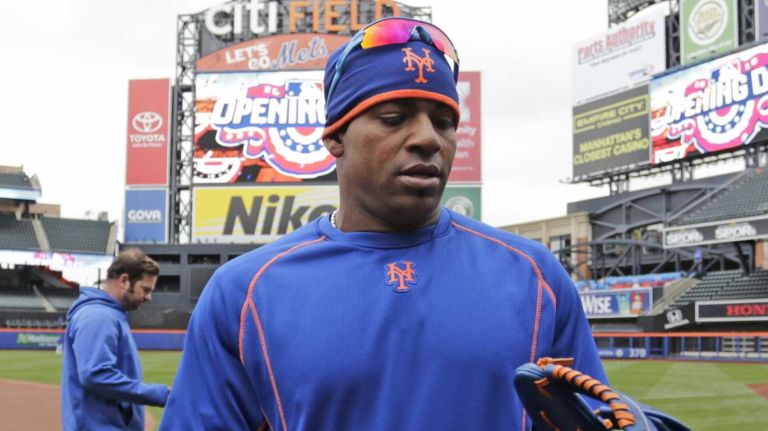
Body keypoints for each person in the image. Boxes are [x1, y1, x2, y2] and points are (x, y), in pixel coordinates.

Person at [161, 17, 606, 430]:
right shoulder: (244, 292)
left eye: (444, 122)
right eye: (393, 118)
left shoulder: (535, 275)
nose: (428, 139)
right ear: (335, 135)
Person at [61, 248, 170, 430]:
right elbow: (95, 375)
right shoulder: (99, 316)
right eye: (145, 289)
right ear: (124, 281)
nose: (149, 297)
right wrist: (159, 394)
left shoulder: (110, 314)